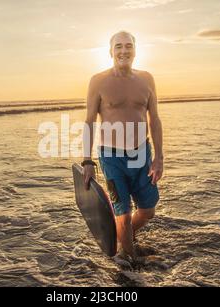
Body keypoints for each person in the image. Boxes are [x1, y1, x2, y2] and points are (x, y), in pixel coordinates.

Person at [82, 31, 164, 261]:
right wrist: (87, 161)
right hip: (111, 158)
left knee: (148, 210)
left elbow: (154, 119)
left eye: (128, 46)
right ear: (110, 51)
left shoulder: (147, 79)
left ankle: (122, 237)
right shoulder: (98, 81)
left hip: (141, 154)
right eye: (118, 46)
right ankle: (131, 264)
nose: (123, 51)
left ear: (135, 50)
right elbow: (89, 121)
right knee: (124, 215)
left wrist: (159, 158)